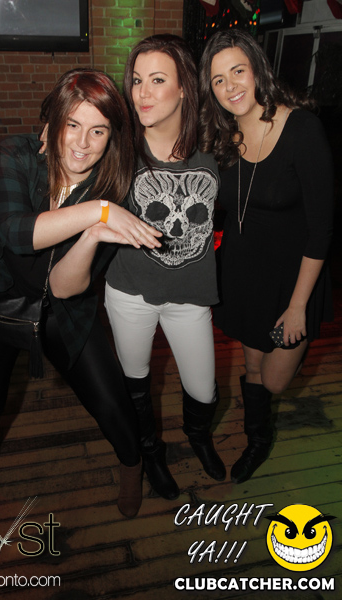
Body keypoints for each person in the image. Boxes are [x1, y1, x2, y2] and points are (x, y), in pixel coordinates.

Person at [0, 68, 162, 518]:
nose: (82, 143)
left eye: (98, 131)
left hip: (62, 308)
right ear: (52, 122)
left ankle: (132, 465)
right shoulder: (14, 154)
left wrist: (94, 234)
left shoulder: (114, 189)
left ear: (111, 137)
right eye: (72, 124)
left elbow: (63, 287)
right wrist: (99, 212)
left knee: (113, 404)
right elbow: (15, 233)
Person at [199, 29, 334, 484]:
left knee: (275, 378)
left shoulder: (302, 129)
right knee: (252, 364)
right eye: (218, 80)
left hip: (292, 281)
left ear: (258, 69)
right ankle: (256, 440)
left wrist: (298, 307)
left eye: (238, 71)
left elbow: (321, 229)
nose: (230, 86)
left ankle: (262, 426)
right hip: (241, 273)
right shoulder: (222, 136)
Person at [105, 34, 225, 502]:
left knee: (204, 389)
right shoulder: (118, 148)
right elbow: (73, 151)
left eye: (157, 80)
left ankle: (198, 436)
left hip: (191, 295)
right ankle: (150, 451)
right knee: (135, 384)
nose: (142, 92)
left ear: (184, 89)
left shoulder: (216, 149)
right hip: (130, 292)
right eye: (137, 80)